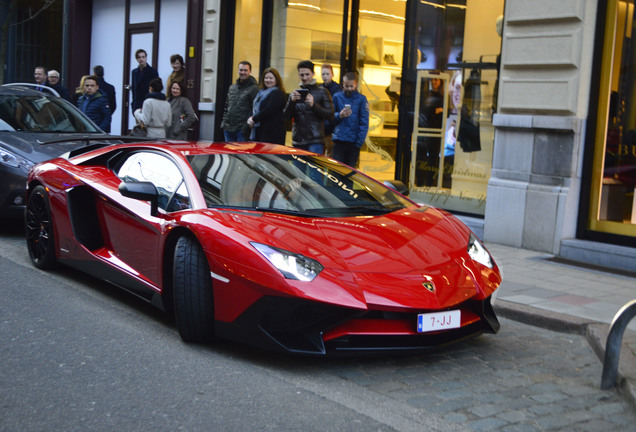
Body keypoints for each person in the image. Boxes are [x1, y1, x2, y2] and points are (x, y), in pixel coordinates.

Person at [283, 60, 334, 154]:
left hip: (315, 141)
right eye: (302, 75)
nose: (305, 77)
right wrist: (291, 102)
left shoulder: (322, 92)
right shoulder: (294, 94)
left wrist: (314, 105)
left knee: (314, 168)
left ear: (313, 74)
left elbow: (330, 114)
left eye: (307, 74)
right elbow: (286, 117)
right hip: (298, 141)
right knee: (297, 169)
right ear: (298, 75)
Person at [331, 71, 369, 167]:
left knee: (349, 173)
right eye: (346, 86)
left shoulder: (361, 99)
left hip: (353, 142)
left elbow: (364, 122)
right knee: (336, 171)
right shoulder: (337, 97)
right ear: (343, 84)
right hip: (339, 140)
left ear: (356, 84)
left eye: (351, 86)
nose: (349, 89)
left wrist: (359, 143)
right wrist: (340, 115)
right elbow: (330, 117)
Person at [247, 67, 287, 145]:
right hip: (260, 131)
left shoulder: (278, 93)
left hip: (272, 133)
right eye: (266, 78)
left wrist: (253, 119)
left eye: (271, 78)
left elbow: (269, 110)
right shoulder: (260, 93)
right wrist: (250, 118)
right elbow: (254, 108)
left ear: (276, 80)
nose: (268, 80)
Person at [221, 60, 259, 141]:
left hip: (242, 130)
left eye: (245, 70)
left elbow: (254, 110)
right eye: (241, 70)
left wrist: (245, 128)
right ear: (238, 70)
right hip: (228, 129)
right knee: (229, 153)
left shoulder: (254, 88)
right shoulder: (232, 87)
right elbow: (226, 107)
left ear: (250, 71)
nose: (243, 72)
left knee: (241, 154)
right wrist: (223, 124)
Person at [320, 63, 341, 156]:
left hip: (331, 127)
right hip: (321, 127)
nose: (325, 76)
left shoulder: (338, 89)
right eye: (323, 74)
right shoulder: (319, 88)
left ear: (332, 74)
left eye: (327, 74)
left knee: (330, 155)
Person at [131, 48, 159, 113]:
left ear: (146, 58)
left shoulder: (153, 71)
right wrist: (133, 104)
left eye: (143, 57)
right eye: (139, 57)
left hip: (148, 102)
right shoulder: (134, 72)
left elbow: (156, 89)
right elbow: (134, 89)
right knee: (139, 122)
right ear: (136, 59)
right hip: (137, 104)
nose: (141, 59)